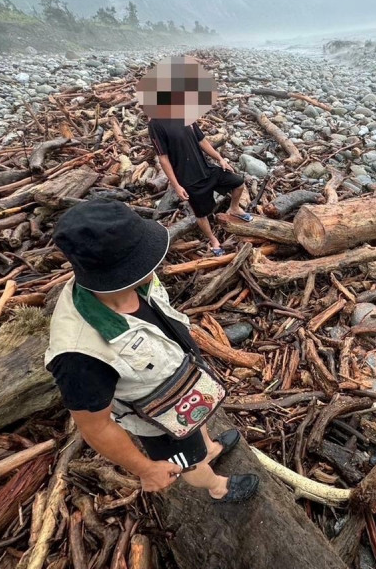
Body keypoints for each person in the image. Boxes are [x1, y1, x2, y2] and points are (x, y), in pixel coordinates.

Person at [45, 199, 259, 501]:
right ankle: (216, 487)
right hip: (158, 422)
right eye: (143, 257)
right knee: (190, 463)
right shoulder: (80, 355)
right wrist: (145, 468)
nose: (156, 262)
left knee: (197, 428)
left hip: (184, 386)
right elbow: (95, 427)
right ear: (118, 271)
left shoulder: (134, 282)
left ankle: (208, 447)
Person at [139, 55, 253, 257]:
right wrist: (176, 186)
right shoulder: (155, 123)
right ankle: (213, 240)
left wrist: (220, 159)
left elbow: (202, 141)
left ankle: (234, 209)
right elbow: (163, 158)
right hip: (188, 179)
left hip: (206, 169)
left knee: (238, 182)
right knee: (201, 213)